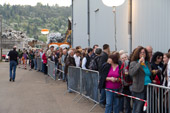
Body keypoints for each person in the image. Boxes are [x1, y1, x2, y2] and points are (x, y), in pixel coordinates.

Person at [129, 46, 152, 113]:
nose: (142, 54)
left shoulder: (147, 63)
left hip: (148, 87)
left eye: (144, 52)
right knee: (138, 107)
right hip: (139, 88)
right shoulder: (134, 63)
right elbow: (131, 73)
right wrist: (139, 63)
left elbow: (149, 73)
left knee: (147, 107)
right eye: (141, 52)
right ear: (137, 54)